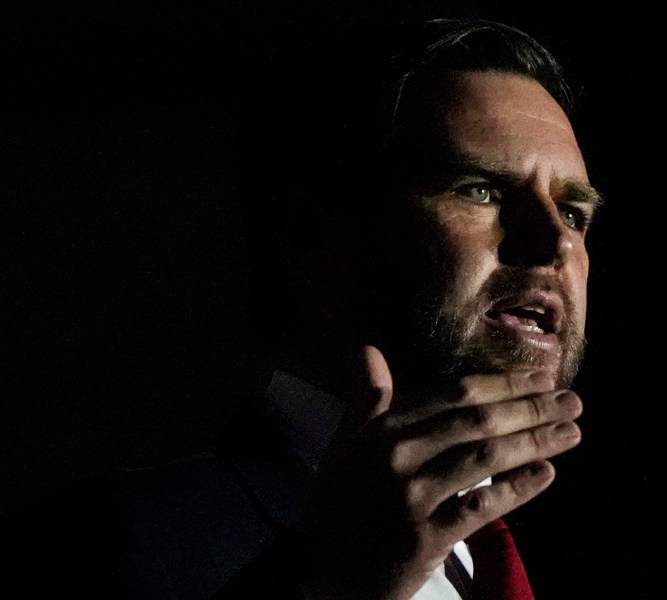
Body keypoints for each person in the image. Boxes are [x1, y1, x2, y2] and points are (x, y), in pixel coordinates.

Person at [7, 16, 601, 600]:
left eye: (574, 213)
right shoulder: (124, 542)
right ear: (313, 237)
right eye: (481, 190)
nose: (555, 242)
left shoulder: (533, 559)